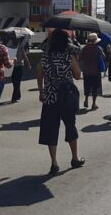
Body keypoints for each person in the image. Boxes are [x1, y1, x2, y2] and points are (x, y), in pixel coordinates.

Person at [36, 28, 85, 174]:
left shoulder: (45, 57)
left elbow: (39, 74)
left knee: (50, 129)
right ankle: (75, 158)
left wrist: (41, 91)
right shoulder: (69, 57)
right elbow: (77, 76)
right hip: (66, 97)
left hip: (50, 97)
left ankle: (54, 163)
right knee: (70, 126)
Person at [78, 33, 104, 110]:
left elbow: (80, 58)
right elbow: (103, 56)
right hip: (96, 71)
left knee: (87, 86)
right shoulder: (98, 48)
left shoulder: (84, 48)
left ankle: (86, 100)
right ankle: (93, 103)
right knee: (95, 88)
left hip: (86, 71)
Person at [8, 34, 31, 103]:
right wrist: (28, 64)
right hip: (19, 66)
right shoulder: (20, 47)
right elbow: (25, 56)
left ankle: (16, 96)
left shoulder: (9, 47)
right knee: (17, 82)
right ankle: (16, 96)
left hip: (13, 67)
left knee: (15, 82)